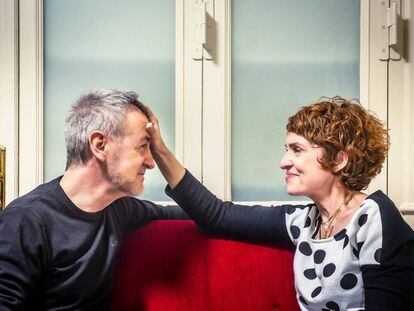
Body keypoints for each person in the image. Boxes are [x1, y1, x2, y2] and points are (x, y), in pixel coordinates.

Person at [145, 96, 414, 310]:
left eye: (297, 150)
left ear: (338, 160)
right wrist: (159, 150)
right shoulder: (303, 223)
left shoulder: (373, 217)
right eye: (287, 150)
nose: (284, 162)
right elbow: (216, 215)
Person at [0, 90, 187, 310]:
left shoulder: (118, 209)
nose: (151, 162)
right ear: (99, 145)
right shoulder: (25, 221)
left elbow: (195, 213)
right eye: (143, 146)